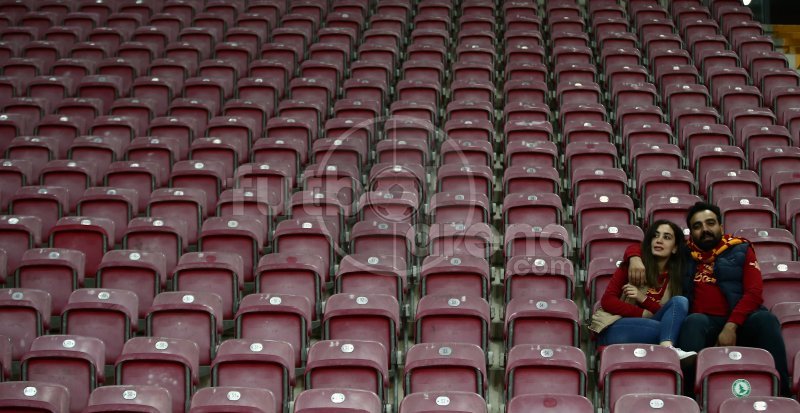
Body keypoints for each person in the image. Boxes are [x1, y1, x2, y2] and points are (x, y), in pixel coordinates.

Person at [625, 201, 791, 396]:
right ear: (691, 233)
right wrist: (634, 258)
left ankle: (783, 397)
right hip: (703, 323)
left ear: (721, 226)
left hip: (740, 321)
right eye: (697, 226)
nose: (705, 229)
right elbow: (646, 245)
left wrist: (731, 326)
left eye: (710, 223)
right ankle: (687, 400)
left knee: (767, 320)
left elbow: (754, 292)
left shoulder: (741, 249)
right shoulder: (684, 253)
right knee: (693, 321)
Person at [595, 219, 695, 359]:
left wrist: (643, 299)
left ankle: (667, 346)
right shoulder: (632, 266)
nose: (659, 240)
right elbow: (607, 301)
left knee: (680, 301)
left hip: (653, 326)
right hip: (616, 326)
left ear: (675, 248)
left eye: (666, 237)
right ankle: (668, 348)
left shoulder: (677, 278)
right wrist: (643, 313)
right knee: (671, 329)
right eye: (655, 235)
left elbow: (669, 315)